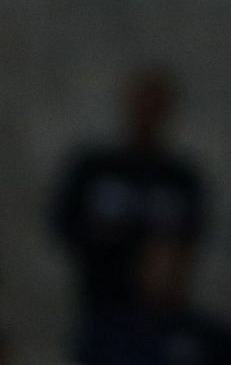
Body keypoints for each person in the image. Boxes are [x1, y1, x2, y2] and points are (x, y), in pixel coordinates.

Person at [49, 67, 207, 318]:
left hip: (161, 313)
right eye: (141, 102)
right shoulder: (94, 168)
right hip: (99, 304)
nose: (147, 112)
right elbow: (64, 223)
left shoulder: (180, 178)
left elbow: (191, 239)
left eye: (155, 105)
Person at [72, 234, 231, 365]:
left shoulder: (209, 337)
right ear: (140, 268)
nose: (166, 273)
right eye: (157, 264)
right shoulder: (108, 333)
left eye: (175, 264)